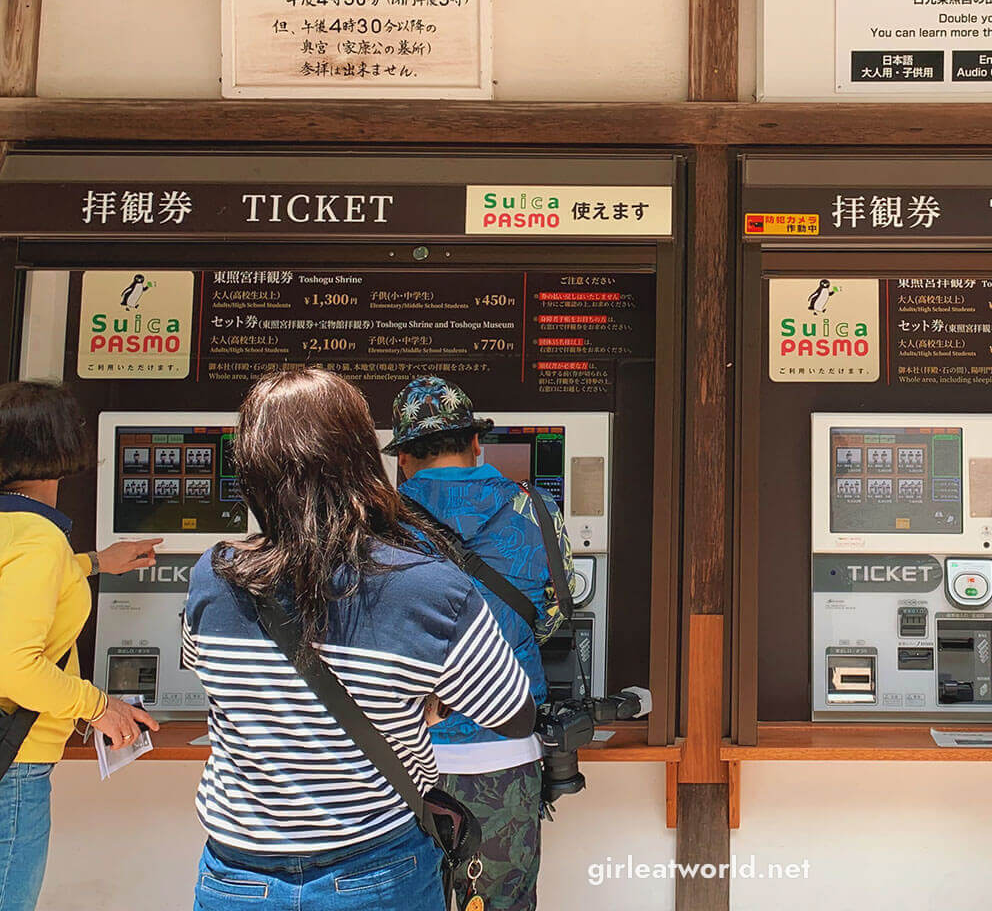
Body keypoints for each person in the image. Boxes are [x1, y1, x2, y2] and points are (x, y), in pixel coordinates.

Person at [181, 368, 535, 911]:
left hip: (235, 876)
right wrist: (421, 704)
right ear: (362, 460)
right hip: (377, 871)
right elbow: (513, 713)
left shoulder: (214, 573)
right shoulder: (429, 587)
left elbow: (210, 675)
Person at [384, 376, 575, 911]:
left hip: (400, 753)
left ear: (403, 459)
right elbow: (553, 615)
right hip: (506, 747)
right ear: (475, 444)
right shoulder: (536, 509)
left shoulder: (375, 523)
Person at [0, 380, 161, 911]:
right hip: (13, 764)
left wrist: (94, 562)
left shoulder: (16, 530)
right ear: (59, 448)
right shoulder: (39, 538)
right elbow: (14, 664)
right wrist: (99, 707)